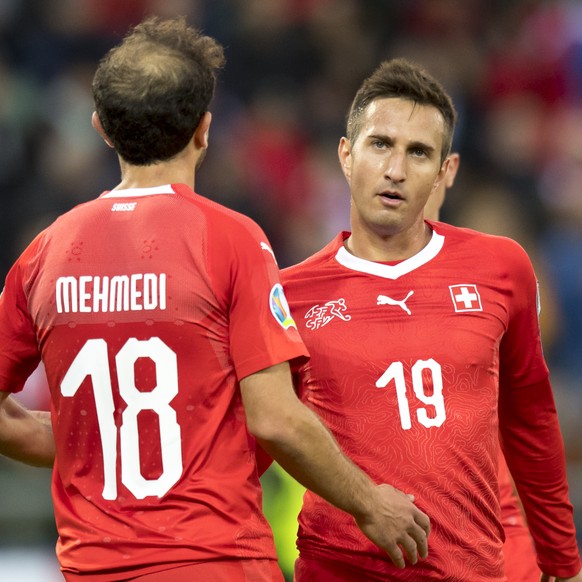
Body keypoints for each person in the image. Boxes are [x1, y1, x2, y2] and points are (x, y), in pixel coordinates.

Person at [0, 21, 431, 581]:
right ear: (205, 129)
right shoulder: (229, 239)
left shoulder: (45, 252)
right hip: (215, 562)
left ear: (101, 129)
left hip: (93, 569)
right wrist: (371, 505)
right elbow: (274, 418)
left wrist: (107, 439)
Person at [280, 58, 582, 581]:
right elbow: (260, 440)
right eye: (380, 144)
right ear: (346, 156)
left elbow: (531, 419)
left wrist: (563, 560)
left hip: (472, 570)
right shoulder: (289, 294)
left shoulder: (501, 267)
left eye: (418, 153)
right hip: (338, 570)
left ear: (446, 171)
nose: (396, 169)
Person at [425, 152, 541, 582]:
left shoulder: (507, 277)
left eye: (421, 154)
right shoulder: (339, 283)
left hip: (497, 510)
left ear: (448, 172)